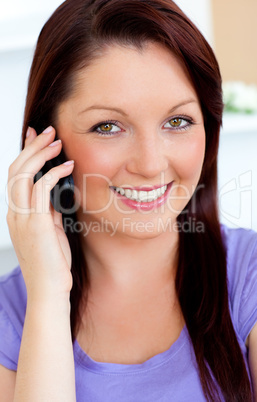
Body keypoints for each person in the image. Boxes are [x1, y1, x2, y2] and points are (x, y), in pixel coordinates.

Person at [0, 0, 256, 400]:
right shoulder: (10, 315)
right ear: (47, 143)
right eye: (108, 126)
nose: (151, 164)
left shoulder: (247, 276)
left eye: (178, 121)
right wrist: (49, 297)